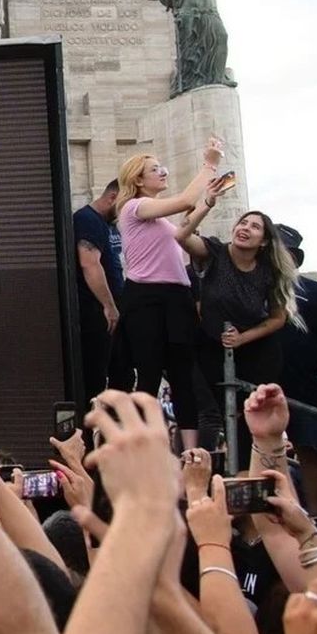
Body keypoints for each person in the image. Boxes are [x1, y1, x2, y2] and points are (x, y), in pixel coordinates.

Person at [113, 139, 224, 449]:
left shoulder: (159, 218)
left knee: (183, 376)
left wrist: (209, 202)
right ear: (137, 179)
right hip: (147, 298)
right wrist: (209, 165)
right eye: (155, 169)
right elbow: (187, 200)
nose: (163, 172)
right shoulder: (134, 208)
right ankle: (143, 448)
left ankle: (190, 453)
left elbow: (182, 230)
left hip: (177, 297)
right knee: (148, 374)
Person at [175, 208, 302, 448]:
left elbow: (278, 318)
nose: (245, 228)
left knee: (247, 418)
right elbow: (182, 237)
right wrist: (207, 205)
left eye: (254, 226)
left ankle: (247, 473)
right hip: (209, 344)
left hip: (253, 348)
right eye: (243, 223)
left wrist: (242, 338)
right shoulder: (215, 252)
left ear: (264, 241)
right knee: (207, 409)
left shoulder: (269, 272)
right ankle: (196, 471)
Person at [272, 225, 317, 515]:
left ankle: (315, 517)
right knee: (263, 453)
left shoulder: (314, 292)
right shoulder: (247, 287)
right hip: (257, 380)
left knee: (310, 450)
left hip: (303, 382)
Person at [73, 180, 124, 397]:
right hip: (96, 313)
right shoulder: (87, 219)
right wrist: (108, 305)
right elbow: (89, 263)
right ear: (112, 197)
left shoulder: (109, 225)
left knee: (122, 375)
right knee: (95, 379)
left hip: (111, 313)